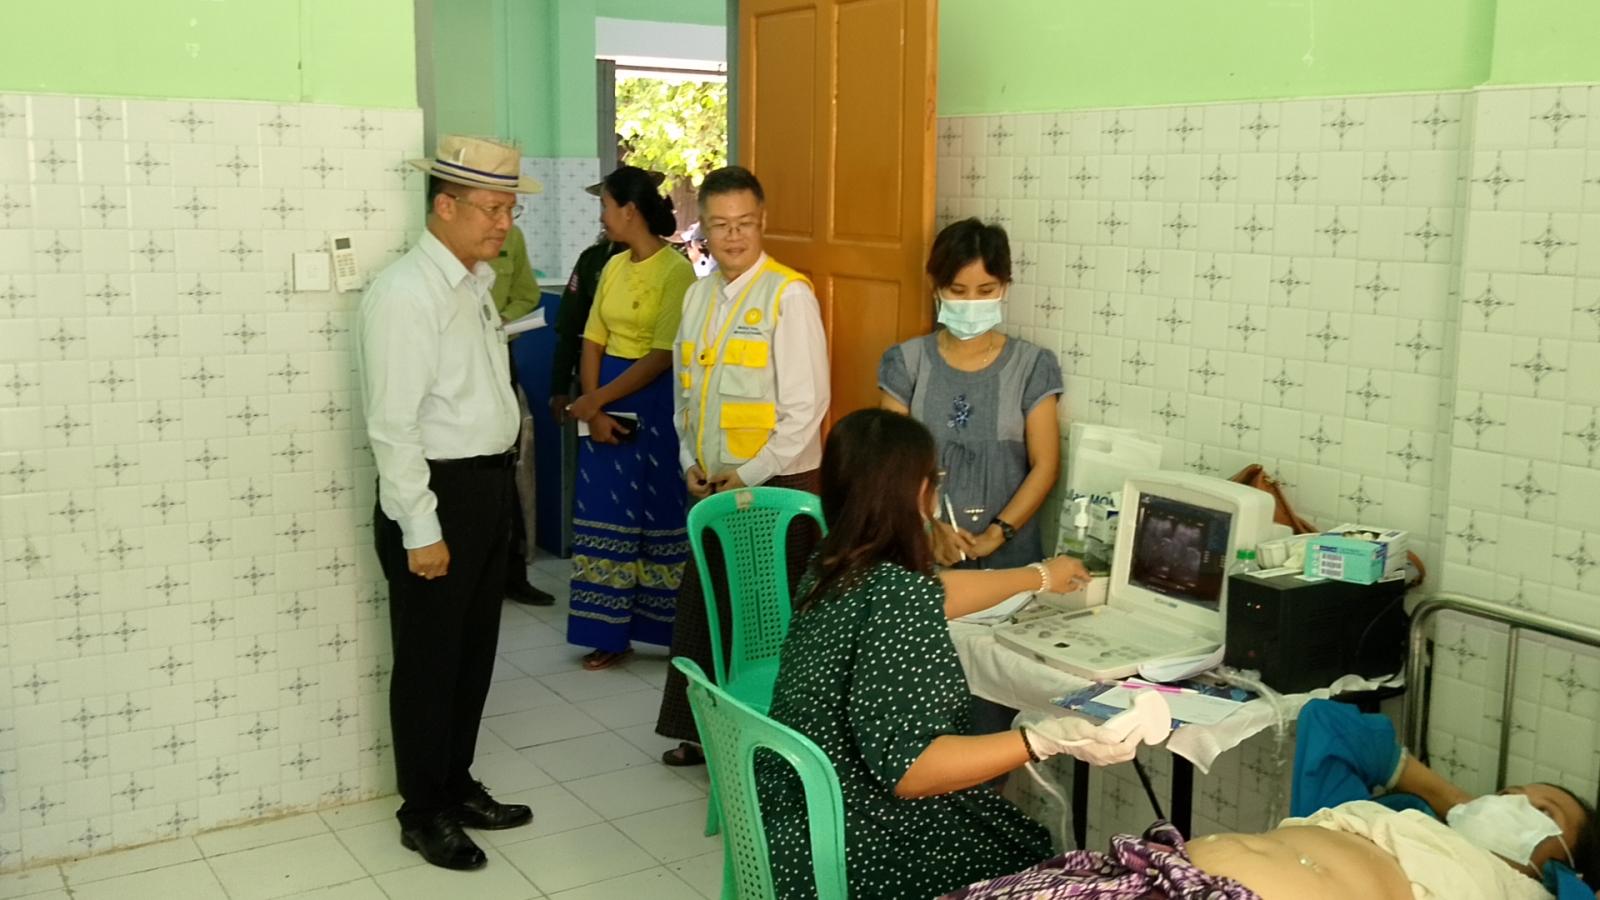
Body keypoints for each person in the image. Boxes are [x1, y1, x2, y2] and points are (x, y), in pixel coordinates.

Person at [759, 408, 1130, 900]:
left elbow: (935, 593)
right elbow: (913, 771)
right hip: (859, 839)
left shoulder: (831, 563)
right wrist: (1043, 740)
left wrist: (1038, 577)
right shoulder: (897, 597)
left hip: (796, 818)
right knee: (1030, 849)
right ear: (920, 491)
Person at [359, 135, 539, 870]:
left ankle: (456, 784)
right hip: (437, 496)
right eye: (492, 209)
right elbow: (392, 427)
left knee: (471, 655)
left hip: (485, 489)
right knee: (430, 662)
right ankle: (423, 810)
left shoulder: (472, 284)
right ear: (445, 206)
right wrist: (421, 528)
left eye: (510, 209)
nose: (504, 223)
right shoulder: (406, 293)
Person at [946, 699, 1600, 900]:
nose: (1513, 803)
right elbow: (1326, 724)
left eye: (1542, 811)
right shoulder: (1400, 818)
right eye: (1509, 793)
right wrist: (1455, 802)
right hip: (1155, 877)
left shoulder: (1532, 893)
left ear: (1566, 860)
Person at [655, 165, 831, 767]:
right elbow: (685, 393)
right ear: (702, 227)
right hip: (711, 487)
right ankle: (703, 734)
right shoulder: (697, 294)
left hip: (775, 489)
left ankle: (771, 750)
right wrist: (689, 460)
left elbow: (807, 408)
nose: (732, 237)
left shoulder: (789, 295)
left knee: (767, 623)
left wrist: (749, 475)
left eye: (744, 224)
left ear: (763, 222)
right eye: (720, 225)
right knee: (707, 611)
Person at [564, 166, 697, 669]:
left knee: (655, 514)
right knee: (603, 514)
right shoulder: (613, 265)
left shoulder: (676, 272)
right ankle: (606, 633)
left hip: (652, 402)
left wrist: (596, 401)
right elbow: (592, 338)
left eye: (606, 205)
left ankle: (664, 633)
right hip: (603, 397)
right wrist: (593, 406)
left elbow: (662, 355)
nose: (602, 216)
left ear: (630, 210)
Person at [879, 217, 1063, 571]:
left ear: (1005, 288)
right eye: (958, 291)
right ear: (935, 287)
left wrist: (997, 533)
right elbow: (890, 465)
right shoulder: (906, 362)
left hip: (1009, 559)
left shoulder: (1032, 366)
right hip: (921, 552)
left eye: (986, 290)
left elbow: (1046, 466)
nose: (971, 302)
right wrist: (929, 529)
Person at [489, 223, 555, 607]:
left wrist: (498, 318)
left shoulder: (511, 235)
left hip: (500, 357)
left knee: (507, 463)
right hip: (454, 360)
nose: (502, 217)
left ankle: (513, 573)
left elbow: (528, 293)